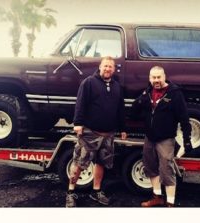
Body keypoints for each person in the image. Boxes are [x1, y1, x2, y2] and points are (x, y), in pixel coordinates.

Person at [66, 56, 126, 207]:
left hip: (109, 134)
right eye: (105, 66)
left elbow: (120, 110)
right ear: (100, 67)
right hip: (90, 133)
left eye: (110, 67)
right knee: (79, 162)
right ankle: (71, 192)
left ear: (114, 69)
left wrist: (123, 128)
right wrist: (78, 123)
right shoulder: (89, 83)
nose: (107, 69)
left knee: (101, 163)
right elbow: (80, 103)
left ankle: (96, 191)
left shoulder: (117, 87)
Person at [131, 66, 192, 207]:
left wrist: (187, 140)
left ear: (164, 77)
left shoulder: (174, 94)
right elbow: (134, 112)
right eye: (153, 77)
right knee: (150, 167)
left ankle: (170, 203)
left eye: (159, 77)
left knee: (167, 170)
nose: (156, 80)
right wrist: (142, 99)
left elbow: (184, 119)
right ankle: (157, 196)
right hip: (149, 138)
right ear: (150, 78)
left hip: (166, 139)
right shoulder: (148, 92)